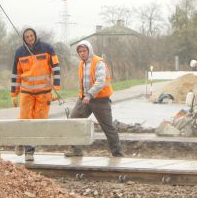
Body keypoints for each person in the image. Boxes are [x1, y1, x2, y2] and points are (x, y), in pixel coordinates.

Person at [64, 40, 124, 158]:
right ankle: (76, 150)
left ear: (89, 50)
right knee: (73, 121)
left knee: (108, 127)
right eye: (80, 51)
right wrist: (84, 96)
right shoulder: (82, 63)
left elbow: (100, 81)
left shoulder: (98, 62)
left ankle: (117, 153)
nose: (82, 53)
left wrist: (90, 95)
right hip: (84, 100)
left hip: (100, 100)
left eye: (84, 51)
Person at [10, 28, 61, 161]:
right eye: (27, 36)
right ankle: (28, 150)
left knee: (39, 121)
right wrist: (14, 94)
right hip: (26, 92)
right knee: (25, 119)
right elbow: (16, 74)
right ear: (24, 38)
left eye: (31, 35)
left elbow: (56, 68)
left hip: (44, 94)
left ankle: (25, 144)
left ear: (35, 36)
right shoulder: (20, 52)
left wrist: (56, 88)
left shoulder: (47, 48)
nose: (30, 38)